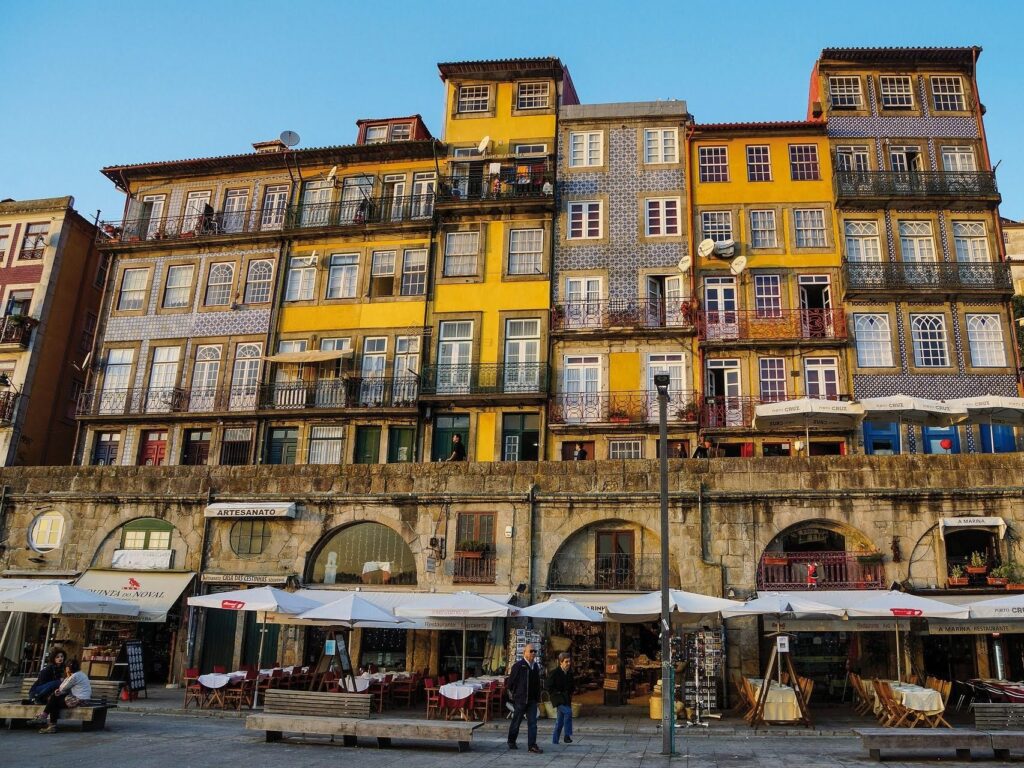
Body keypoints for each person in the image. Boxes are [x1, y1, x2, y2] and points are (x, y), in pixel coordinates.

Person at [507, 643, 542, 753]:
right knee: (516, 721)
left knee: (533, 723)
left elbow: (537, 683)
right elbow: (510, 683)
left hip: (532, 700)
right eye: (531, 651)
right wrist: (515, 694)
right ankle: (511, 741)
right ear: (524, 653)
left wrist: (537, 698)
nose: (533, 653)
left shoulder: (535, 666)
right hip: (521, 700)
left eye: (534, 651)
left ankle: (532, 745)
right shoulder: (518, 666)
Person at [38, 663, 91, 734]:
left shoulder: (74, 676)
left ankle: (46, 718)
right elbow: (64, 689)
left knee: (54, 700)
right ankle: (48, 721)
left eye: (66, 668)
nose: (66, 669)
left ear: (68, 668)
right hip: (83, 700)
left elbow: (62, 688)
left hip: (79, 700)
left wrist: (68, 676)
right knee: (54, 700)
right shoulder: (81, 674)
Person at [549, 652, 575, 745]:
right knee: (568, 712)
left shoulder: (569, 673)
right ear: (561, 662)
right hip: (558, 699)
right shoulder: (554, 673)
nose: (568, 663)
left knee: (559, 722)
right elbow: (549, 687)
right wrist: (557, 693)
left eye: (569, 661)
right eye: (566, 662)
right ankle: (567, 735)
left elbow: (572, 686)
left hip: (566, 698)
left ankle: (555, 741)